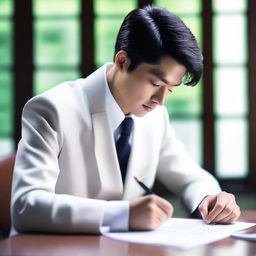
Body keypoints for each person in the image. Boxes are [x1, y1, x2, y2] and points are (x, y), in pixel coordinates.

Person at [10, 5, 240, 235]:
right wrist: (122, 215)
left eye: (171, 89)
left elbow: (189, 177)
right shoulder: (52, 110)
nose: (160, 100)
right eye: (156, 84)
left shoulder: (155, 117)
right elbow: (25, 205)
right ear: (122, 61)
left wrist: (210, 197)